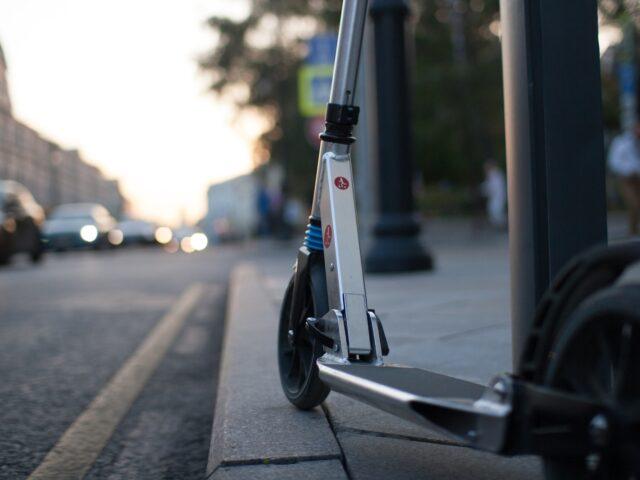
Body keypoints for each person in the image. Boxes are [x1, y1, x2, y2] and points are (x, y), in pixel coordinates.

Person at [608, 124, 640, 236]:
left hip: (637, 178)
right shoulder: (622, 142)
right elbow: (614, 161)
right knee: (634, 204)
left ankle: (634, 230)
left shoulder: (636, 143)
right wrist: (626, 171)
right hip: (626, 179)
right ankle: (632, 231)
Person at [481, 160, 507, 229]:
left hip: (498, 196)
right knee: (493, 210)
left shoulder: (494, 174)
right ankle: (500, 226)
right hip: (496, 197)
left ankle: (503, 226)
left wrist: (483, 189)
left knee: (496, 211)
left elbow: (492, 187)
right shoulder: (494, 174)